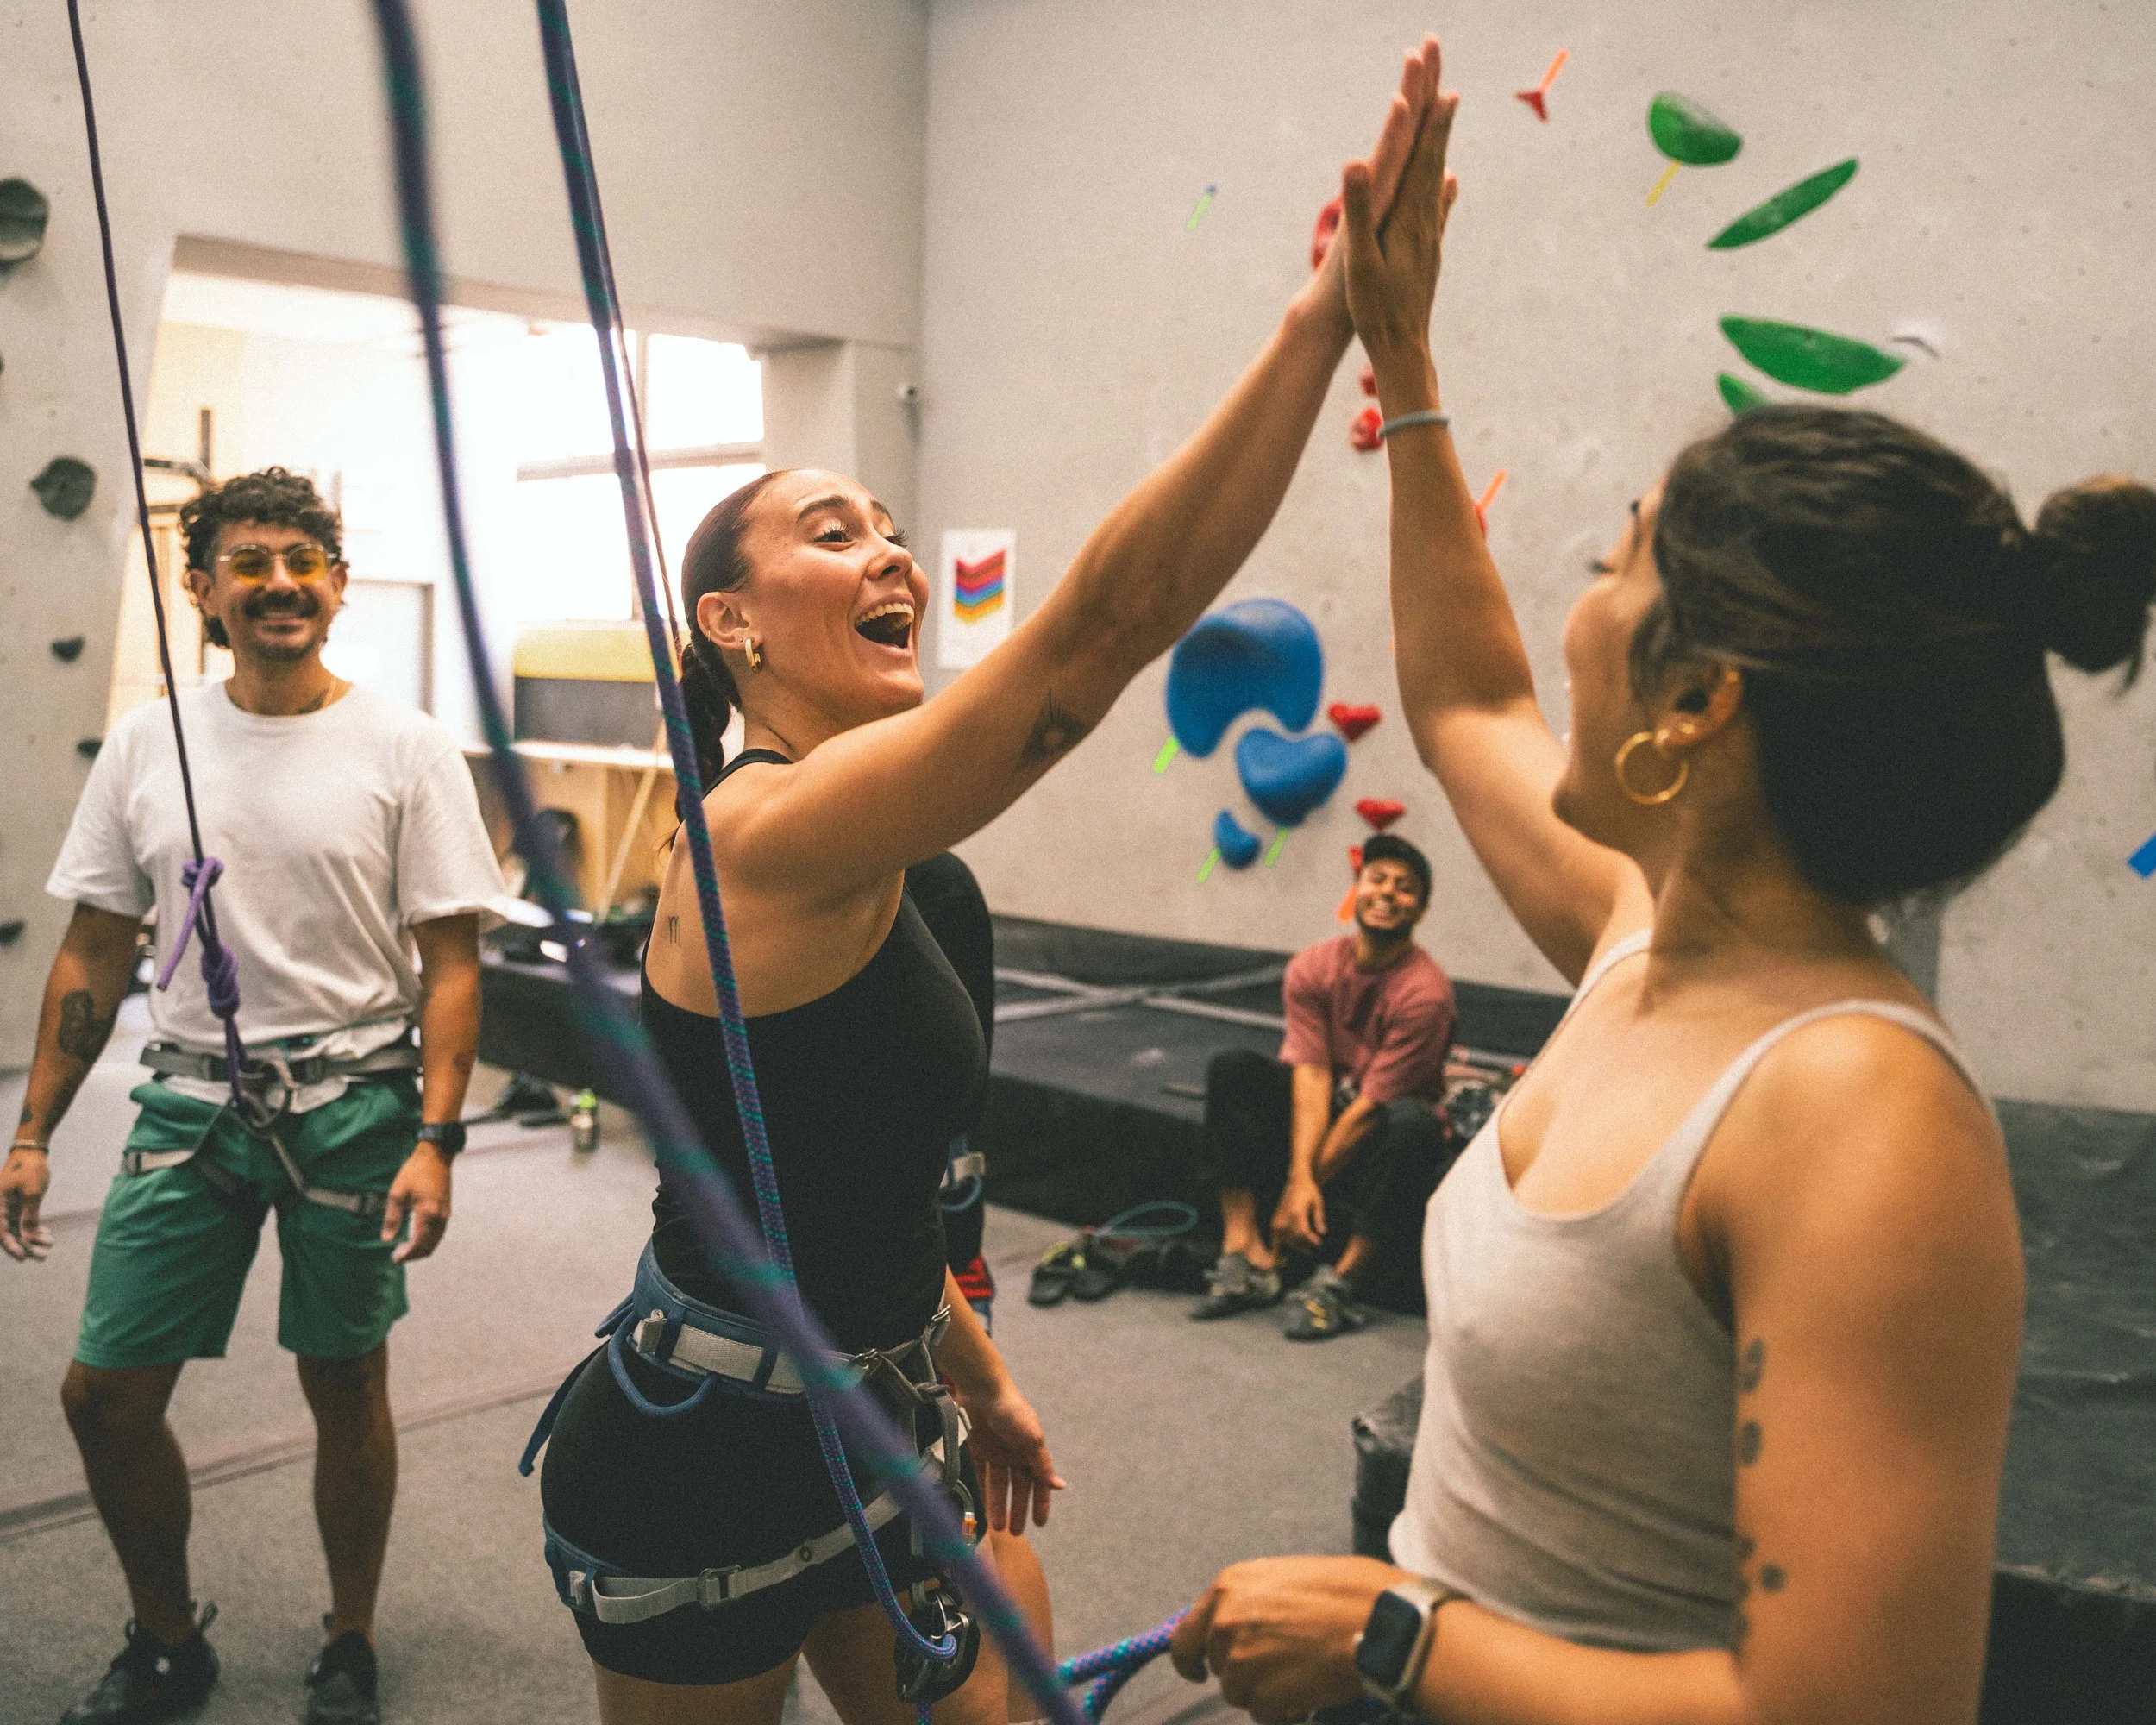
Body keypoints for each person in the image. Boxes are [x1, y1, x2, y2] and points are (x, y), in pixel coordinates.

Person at [1169, 37, 2156, 1725]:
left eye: (1617, 557)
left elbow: (1850, 1711)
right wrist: (1396, 355)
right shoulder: (1640, 936)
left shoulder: (1852, 1115)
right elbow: (1472, 695)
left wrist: (1394, 1634)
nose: (1577, 595)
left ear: (1698, 700)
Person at [528, 49, 1446, 1725]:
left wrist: (981, 1378)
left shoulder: (917, 871)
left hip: (881, 1430)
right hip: (692, 1473)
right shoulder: (749, 843)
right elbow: (1086, 648)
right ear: (729, 623)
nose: (885, 548)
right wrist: (1325, 324)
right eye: (827, 530)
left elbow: (871, 1195)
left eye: (888, 522)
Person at [0, 468, 505, 1725]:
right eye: (250, 562)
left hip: (357, 1109)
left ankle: (349, 1638)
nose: (280, 581)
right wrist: (30, 1129)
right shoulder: (145, 741)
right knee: (102, 1395)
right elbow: (96, 945)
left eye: (304, 559)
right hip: (188, 1110)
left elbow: (451, 960)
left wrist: (439, 1139)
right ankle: (168, 1641)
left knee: (344, 1383)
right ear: (203, 590)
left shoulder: (406, 745)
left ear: (335, 583)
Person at [1190, 833, 1455, 1339]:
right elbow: (1310, 1074)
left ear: (1421, 909)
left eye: (1405, 888)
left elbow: (1368, 1109)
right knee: (1234, 1069)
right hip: (1324, 1111)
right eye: (1377, 879)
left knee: (1414, 1126)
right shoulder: (1312, 967)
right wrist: (1298, 1182)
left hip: (1377, 1125)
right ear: (1356, 890)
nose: (1387, 893)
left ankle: (1338, 1281)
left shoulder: (1427, 995)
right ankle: (1242, 1252)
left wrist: (1297, 1200)